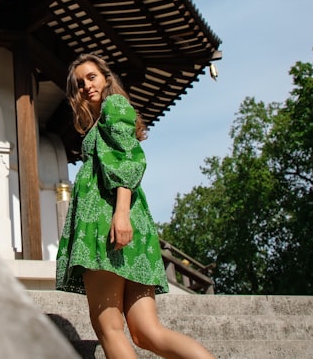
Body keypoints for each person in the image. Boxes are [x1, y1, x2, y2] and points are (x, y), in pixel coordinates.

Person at [55, 53, 215, 359]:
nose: (86, 86)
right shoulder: (103, 118)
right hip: (125, 223)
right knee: (145, 332)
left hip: (106, 223)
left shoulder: (113, 107)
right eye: (79, 83)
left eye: (92, 77)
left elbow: (128, 161)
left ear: (106, 78)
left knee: (110, 329)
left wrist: (121, 214)